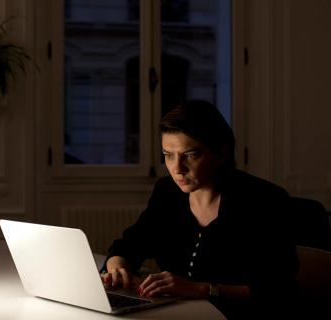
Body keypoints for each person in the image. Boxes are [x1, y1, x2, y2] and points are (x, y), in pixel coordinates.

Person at [101, 100, 299, 319]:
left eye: (191, 155)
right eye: (168, 155)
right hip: (175, 313)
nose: (177, 169)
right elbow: (129, 244)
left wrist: (202, 289)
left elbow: (279, 290)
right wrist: (117, 268)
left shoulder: (265, 201)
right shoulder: (167, 192)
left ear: (220, 153)